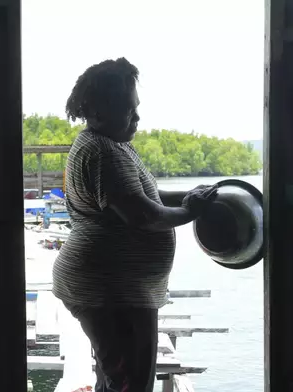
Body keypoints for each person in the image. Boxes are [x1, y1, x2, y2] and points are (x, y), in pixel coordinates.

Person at [52, 57, 218, 392]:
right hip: (110, 291)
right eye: (129, 110)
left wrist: (190, 195)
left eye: (136, 108)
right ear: (98, 112)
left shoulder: (112, 145)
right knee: (129, 383)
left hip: (114, 289)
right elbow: (143, 216)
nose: (138, 117)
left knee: (118, 377)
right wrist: (190, 212)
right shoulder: (104, 153)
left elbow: (148, 195)